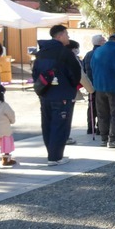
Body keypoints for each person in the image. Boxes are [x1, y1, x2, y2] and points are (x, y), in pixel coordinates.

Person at [32, 24, 81, 166]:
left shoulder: (41, 53)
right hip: (62, 94)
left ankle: (51, 155)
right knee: (60, 126)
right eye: (66, 34)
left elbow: (35, 74)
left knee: (47, 125)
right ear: (59, 36)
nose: (68, 37)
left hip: (45, 94)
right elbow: (75, 73)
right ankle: (55, 157)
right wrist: (71, 86)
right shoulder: (64, 53)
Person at [83, 34, 105, 135]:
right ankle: (100, 128)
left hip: (90, 84)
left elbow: (83, 69)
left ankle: (90, 127)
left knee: (91, 106)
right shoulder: (103, 53)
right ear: (101, 42)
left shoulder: (88, 55)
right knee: (101, 107)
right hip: (101, 84)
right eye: (104, 40)